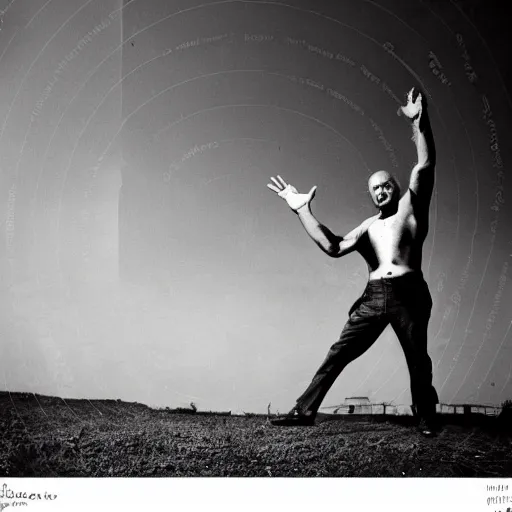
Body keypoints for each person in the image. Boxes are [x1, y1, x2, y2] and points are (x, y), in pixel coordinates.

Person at [266, 87, 439, 436]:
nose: (380, 191)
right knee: (338, 352)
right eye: (374, 188)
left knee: (417, 359)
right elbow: (333, 247)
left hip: (408, 292)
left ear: (394, 186)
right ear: (371, 194)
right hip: (374, 295)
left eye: (385, 185)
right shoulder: (367, 227)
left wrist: (419, 122)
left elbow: (424, 166)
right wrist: (303, 211)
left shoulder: (411, 209)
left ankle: (426, 417)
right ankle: (304, 411)